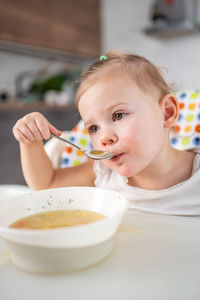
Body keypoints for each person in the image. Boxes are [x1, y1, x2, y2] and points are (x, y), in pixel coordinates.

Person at [13, 51, 200, 216]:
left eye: (118, 115)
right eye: (94, 128)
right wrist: (30, 140)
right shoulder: (103, 174)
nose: (104, 138)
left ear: (166, 112)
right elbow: (46, 186)